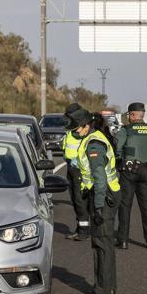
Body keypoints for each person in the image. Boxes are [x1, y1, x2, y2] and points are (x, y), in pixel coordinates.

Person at [67, 108, 121, 294]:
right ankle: (108, 286)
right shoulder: (93, 138)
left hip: (103, 197)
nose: (74, 131)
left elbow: (99, 178)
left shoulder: (94, 144)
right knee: (104, 243)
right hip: (106, 195)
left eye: (76, 128)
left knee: (101, 243)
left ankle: (102, 289)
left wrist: (98, 207)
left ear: (86, 126)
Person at [115, 102, 147, 250]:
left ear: (132, 115)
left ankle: (123, 240)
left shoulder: (126, 130)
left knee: (125, 206)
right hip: (146, 171)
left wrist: (120, 160)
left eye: (128, 115)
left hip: (128, 171)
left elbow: (117, 148)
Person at [62, 103, 89, 241]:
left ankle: (84, 230)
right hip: (70, 168)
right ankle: (80, 228)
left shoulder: (84, 130)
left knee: (80, 201)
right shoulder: (71, 130)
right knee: (74, 200)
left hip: (80, 169)